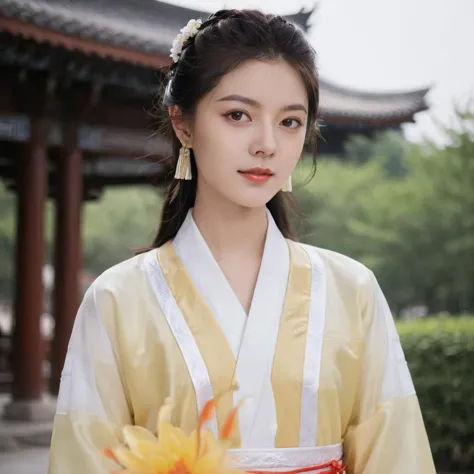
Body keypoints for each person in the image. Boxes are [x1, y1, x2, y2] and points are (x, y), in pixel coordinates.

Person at [48, 9, 436, 474]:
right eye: (238, 115)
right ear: (183, 124)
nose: (266, 143)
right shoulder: (116, 300)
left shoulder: (353, 291)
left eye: (290, 122)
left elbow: (397, 457)